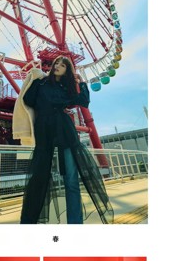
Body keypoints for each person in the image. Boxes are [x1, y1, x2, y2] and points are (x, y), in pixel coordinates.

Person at [13, 55, 114, 224]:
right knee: (39, 178)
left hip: (64, 130)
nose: (58, 66)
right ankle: (29, 222)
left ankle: (75, 223)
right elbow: (27, 99)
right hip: (44, 131)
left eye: (63, 65)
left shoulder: (66, 89)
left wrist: (81, 83)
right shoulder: (41, 82)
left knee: (71, 179)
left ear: (68, 70)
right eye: (56, 63)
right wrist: (35, 78)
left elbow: (83, 102)